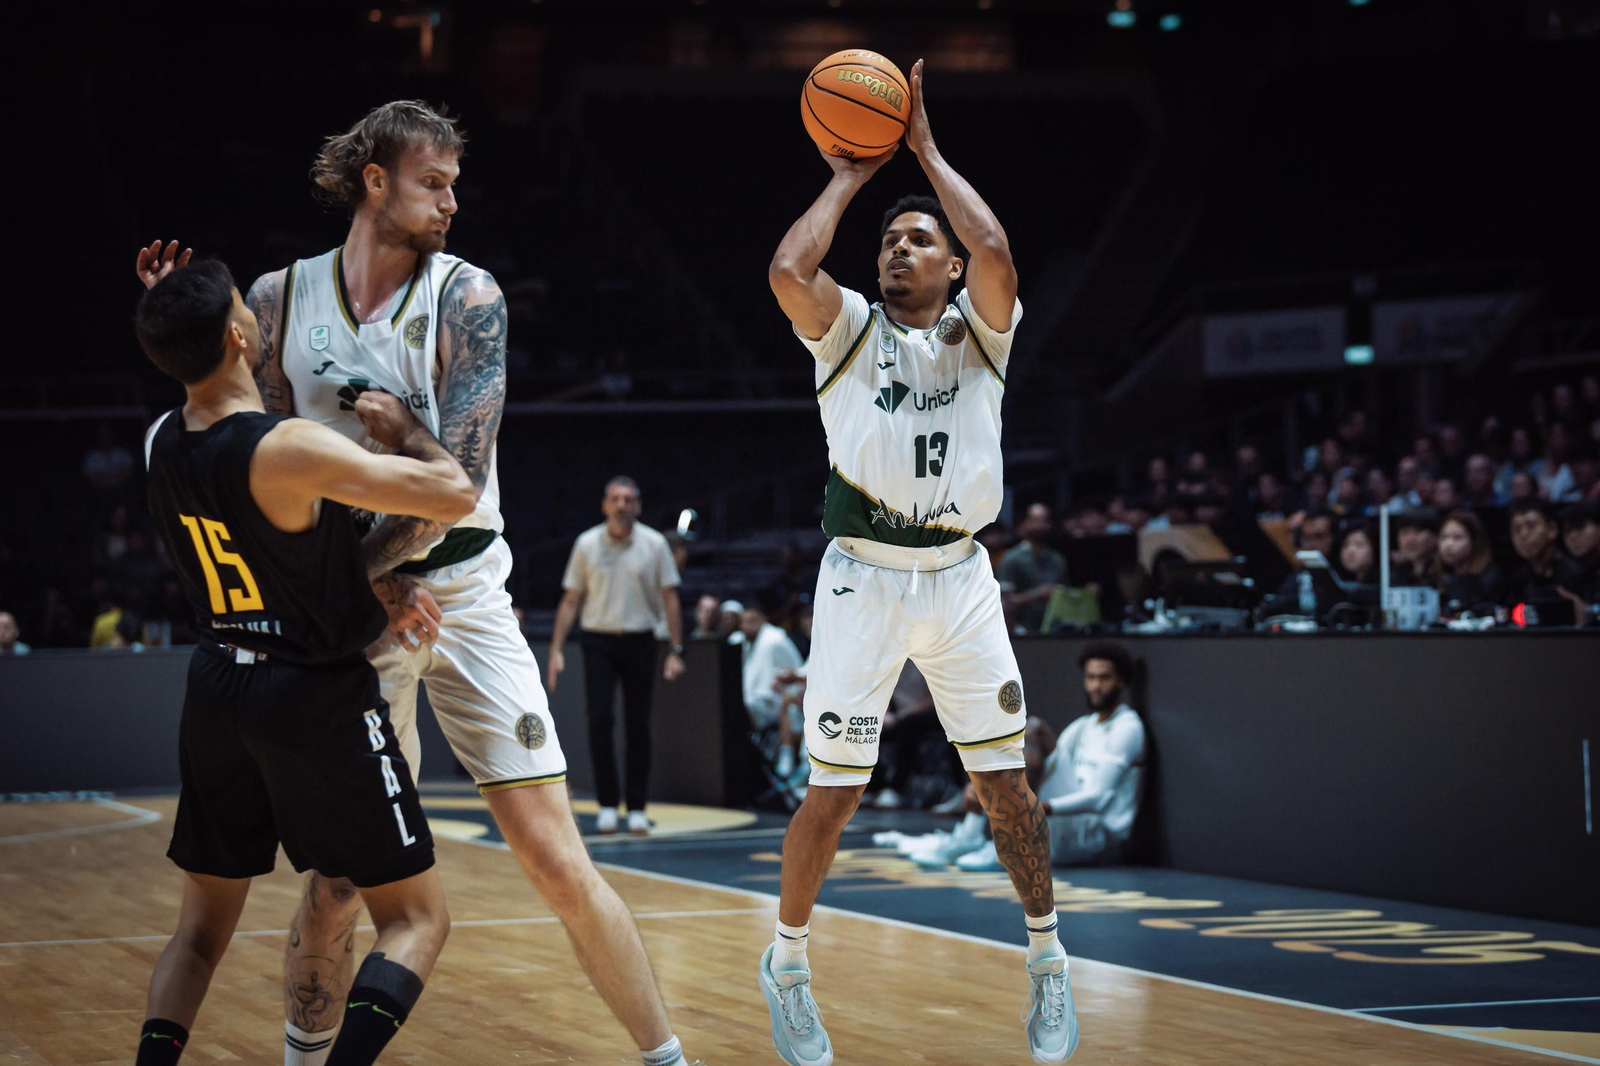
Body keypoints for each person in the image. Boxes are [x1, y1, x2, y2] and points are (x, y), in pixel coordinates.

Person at [137, 102, 695, 1066]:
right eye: (434, 181)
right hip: (343, 617)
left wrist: (357, 581)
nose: (452, 200)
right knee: (340, 885)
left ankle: (666, 1057)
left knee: (557, 860)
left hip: (462, 590)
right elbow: (239, 442)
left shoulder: (469, 297)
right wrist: (357, 599)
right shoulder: (275, 298)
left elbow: (458, 487)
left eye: (453, 183)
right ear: (375, 181)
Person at [765, 59, 1075, 1064]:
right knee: (835, 791)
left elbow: (995, 245)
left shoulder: (982, 335)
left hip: (960, 578)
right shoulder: (849, 328)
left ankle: (1047, 963)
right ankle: (789, 961)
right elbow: (785, 272)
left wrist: (926, 150)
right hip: (860, 577)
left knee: (1007, 790)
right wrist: (851, 173)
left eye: (916, 240)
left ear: (945, 268)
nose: (900, 249)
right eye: (890, 241)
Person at [131, 260, 470, 1065]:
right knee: (418, 920)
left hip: (217, 682)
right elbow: (453, 493)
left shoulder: (157, 443)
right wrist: (408, 432)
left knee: (200, 932)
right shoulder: (287, 448)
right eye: (246, 311)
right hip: (310, 692)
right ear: (242, 339)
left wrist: (168, 309)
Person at [549, 476, 686, 835]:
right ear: (605, 505)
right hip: (598, 641)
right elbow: (570, 600)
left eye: (628, 499)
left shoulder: (655, 544)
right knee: (599, 719)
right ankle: (608, 804)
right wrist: (556, 649)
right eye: (615, 499)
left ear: (638, 506)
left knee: (638, 726)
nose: (622, 505)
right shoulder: (587, 544)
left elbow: (671, 597)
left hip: (641, 640)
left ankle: (637, 807)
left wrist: (676, 649)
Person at [739, 588, 806, 778]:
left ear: (762, 619)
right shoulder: (745, 642)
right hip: (759, 701)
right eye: (743, 622)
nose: (746, 626)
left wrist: (787, 684)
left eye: (751, 621)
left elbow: (796, 669)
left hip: (776, 702)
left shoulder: (775, 640)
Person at [1505, 501, 1588, 624]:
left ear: (1552, 529)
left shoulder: (1575, 573)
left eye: (1531, 526)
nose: (1524, 534)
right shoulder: (1518, 578)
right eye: (1517, 530)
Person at [999, 502, 1068, 634]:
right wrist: (1037, 594)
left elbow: (1064, 593)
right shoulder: (1012, 558)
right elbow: (1005, 602)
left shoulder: (1057, 559)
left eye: (1044, 520)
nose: (1040, 526)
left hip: (1055, 630)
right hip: (1022, 631)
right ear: (1025, 523)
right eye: (1035, 520)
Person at [1435, 511, 1505, 615]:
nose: (1448, 545)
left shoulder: (1490, 578)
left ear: (1474, 541)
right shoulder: (1438, 577)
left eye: (1457, 538)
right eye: (1444, 537)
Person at [1390, 508, 1441, 586]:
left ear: (1435, 536)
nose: (1410, 539)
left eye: (1418, 531)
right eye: (1404, 532)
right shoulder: (1395, 576)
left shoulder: (1443, 576)